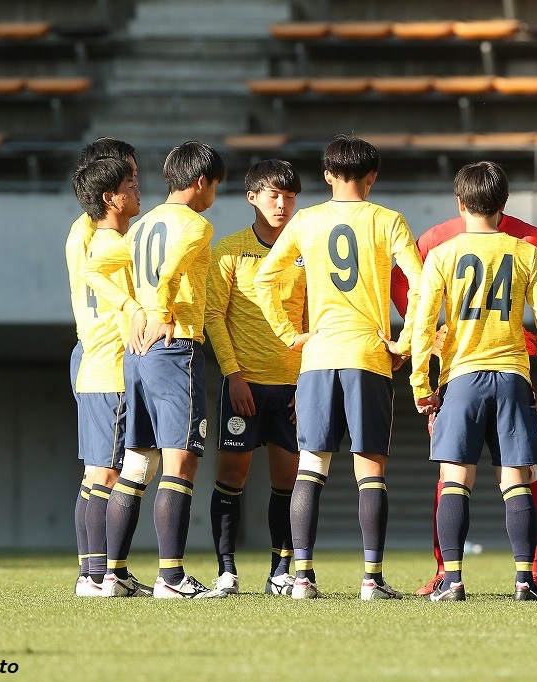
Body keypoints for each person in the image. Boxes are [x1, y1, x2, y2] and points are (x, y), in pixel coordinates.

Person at [254, 135, 423, 600]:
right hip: (368, 356)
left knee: (311, 466)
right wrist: (405, 341)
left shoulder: (306, 220)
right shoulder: (387, 220)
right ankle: (371, 579)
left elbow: (265, 279)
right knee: (370, 471)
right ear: (372, 177)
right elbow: (423, 285)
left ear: (327, 175)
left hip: (318, 359)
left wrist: (290, 335)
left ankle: (302, 577)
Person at [391, 175, 537, 598]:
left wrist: (421, 382)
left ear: (459, 201)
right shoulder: (526, 251)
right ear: (504, 203)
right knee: (517, 479)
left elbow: (421, 324)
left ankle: (452, 580)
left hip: (461, 378)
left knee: (455, 479)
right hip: (513, 376)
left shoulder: (440, 252)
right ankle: (525, 580)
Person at [84, 141, 227, 599]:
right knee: (180, 463)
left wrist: (132, 311)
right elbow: (170, 271)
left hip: (137, 355)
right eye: (215, 187)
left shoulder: (140, 225)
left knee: (136, 463)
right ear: (201, 182)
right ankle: (170, 577)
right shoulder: (197, 225)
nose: (213, 197)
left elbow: (92, 269)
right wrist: (161, 311)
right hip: (174, 345)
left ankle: (113, 574)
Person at [204, 159, 305, 596]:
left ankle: (279, 571)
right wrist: (234, 375)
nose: (282, 204)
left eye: (289, 195)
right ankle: (226, 570)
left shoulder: (308, 254)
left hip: (292, 386)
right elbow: (214, 316)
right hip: (243, 384)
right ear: (252, 198)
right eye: (273, 195)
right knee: (233, 476)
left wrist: (309, 382)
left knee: (289, 480)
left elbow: (316, 317)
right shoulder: (229, 250)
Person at [65, 137, 138, 596]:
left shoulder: (84, 230)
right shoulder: (103, 236)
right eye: (129, 173)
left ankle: (99, 571)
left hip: (94, 352)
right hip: (105, 355)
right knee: (105, 473)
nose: (137, 181)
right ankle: (97, 574)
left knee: (97, 472)